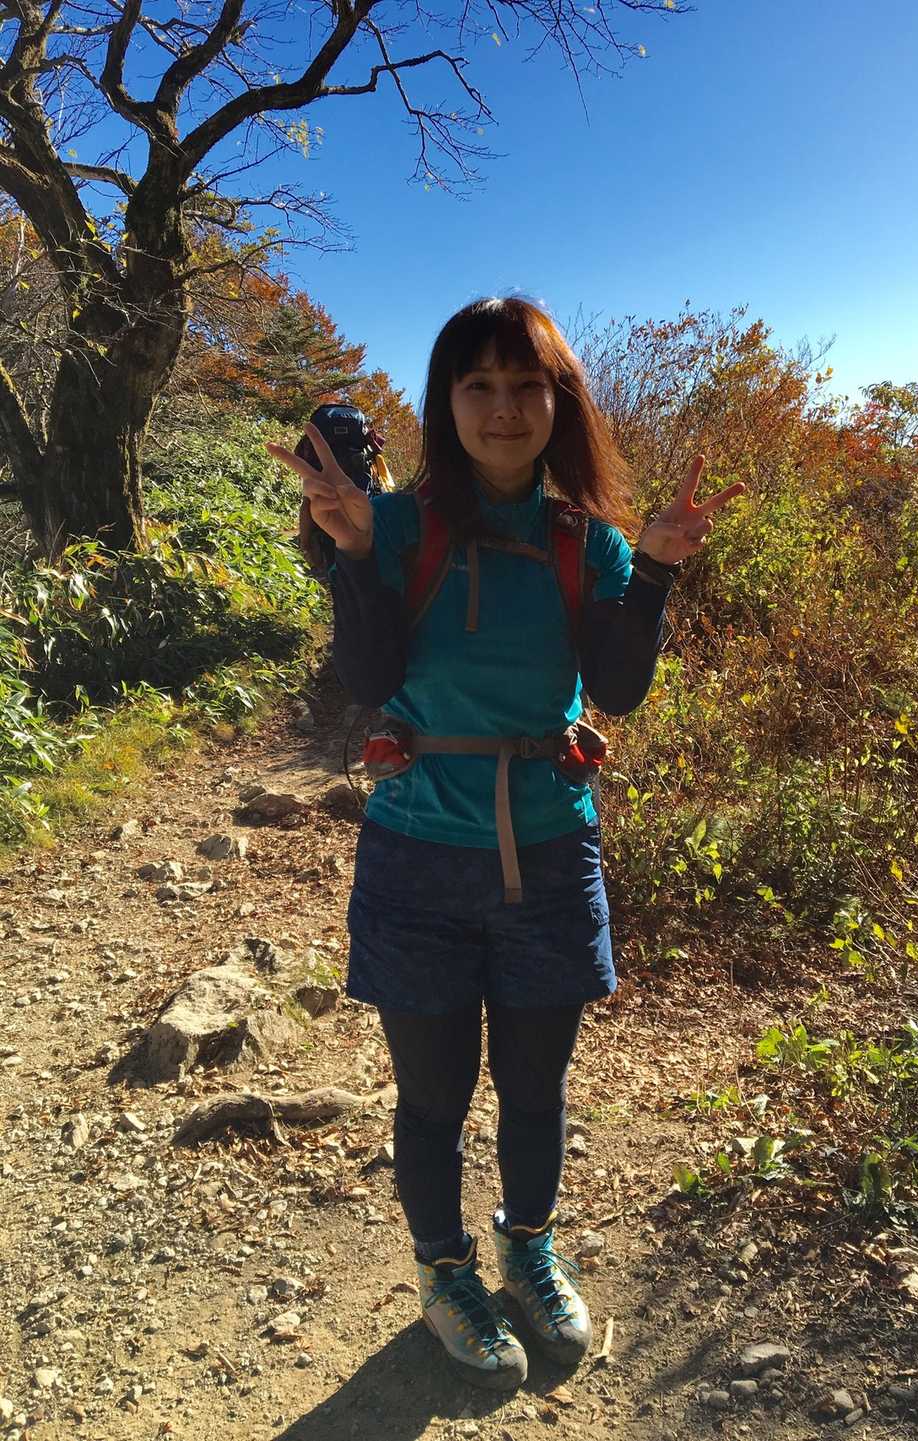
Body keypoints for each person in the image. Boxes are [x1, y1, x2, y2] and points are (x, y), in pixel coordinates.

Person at [267, 297, 744, 1391]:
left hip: (550, 849)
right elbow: (372, 679)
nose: (503, 407)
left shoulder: (587, 540)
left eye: (526, 384)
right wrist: (351, 552)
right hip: (416, 853)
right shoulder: (393, 524)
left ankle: (528, 1245)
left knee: (537, 1085)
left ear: (558, 401)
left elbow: (615, 686)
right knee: (433, 1095)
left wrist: (656, 569)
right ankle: (445, 1272)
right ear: (445, 402)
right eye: (477, 384)